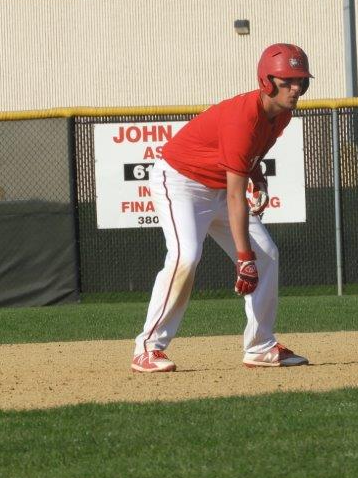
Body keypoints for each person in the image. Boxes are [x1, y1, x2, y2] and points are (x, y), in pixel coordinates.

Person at [131, 43, 313, 373]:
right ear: (267, 82)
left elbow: (250, 156)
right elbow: (234, 197)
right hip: (181, 182)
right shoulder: (241, 118)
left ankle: (260, 346)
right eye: (287, 81)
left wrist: (257, 176)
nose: (296, 88)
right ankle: (147, 347)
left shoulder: (282, 113)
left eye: (301, 81)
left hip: (217, 185)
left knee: (267, 254)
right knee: (186, 255)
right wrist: (244, 258)